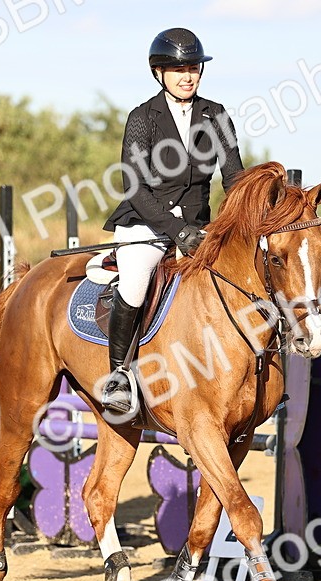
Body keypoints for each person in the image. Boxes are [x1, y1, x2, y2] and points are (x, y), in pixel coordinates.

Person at [100, 27, 244, 415]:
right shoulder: (142, 118)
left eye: (193, 68)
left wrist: (246, 219)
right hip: (145, 222)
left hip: (200, 227)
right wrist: (177, 231)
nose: (187, 75)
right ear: (159, 72)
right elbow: (136, 188)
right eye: (177, 68)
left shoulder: (216, 115)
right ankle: (118, 375)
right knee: (135, 281)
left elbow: (234, 178)